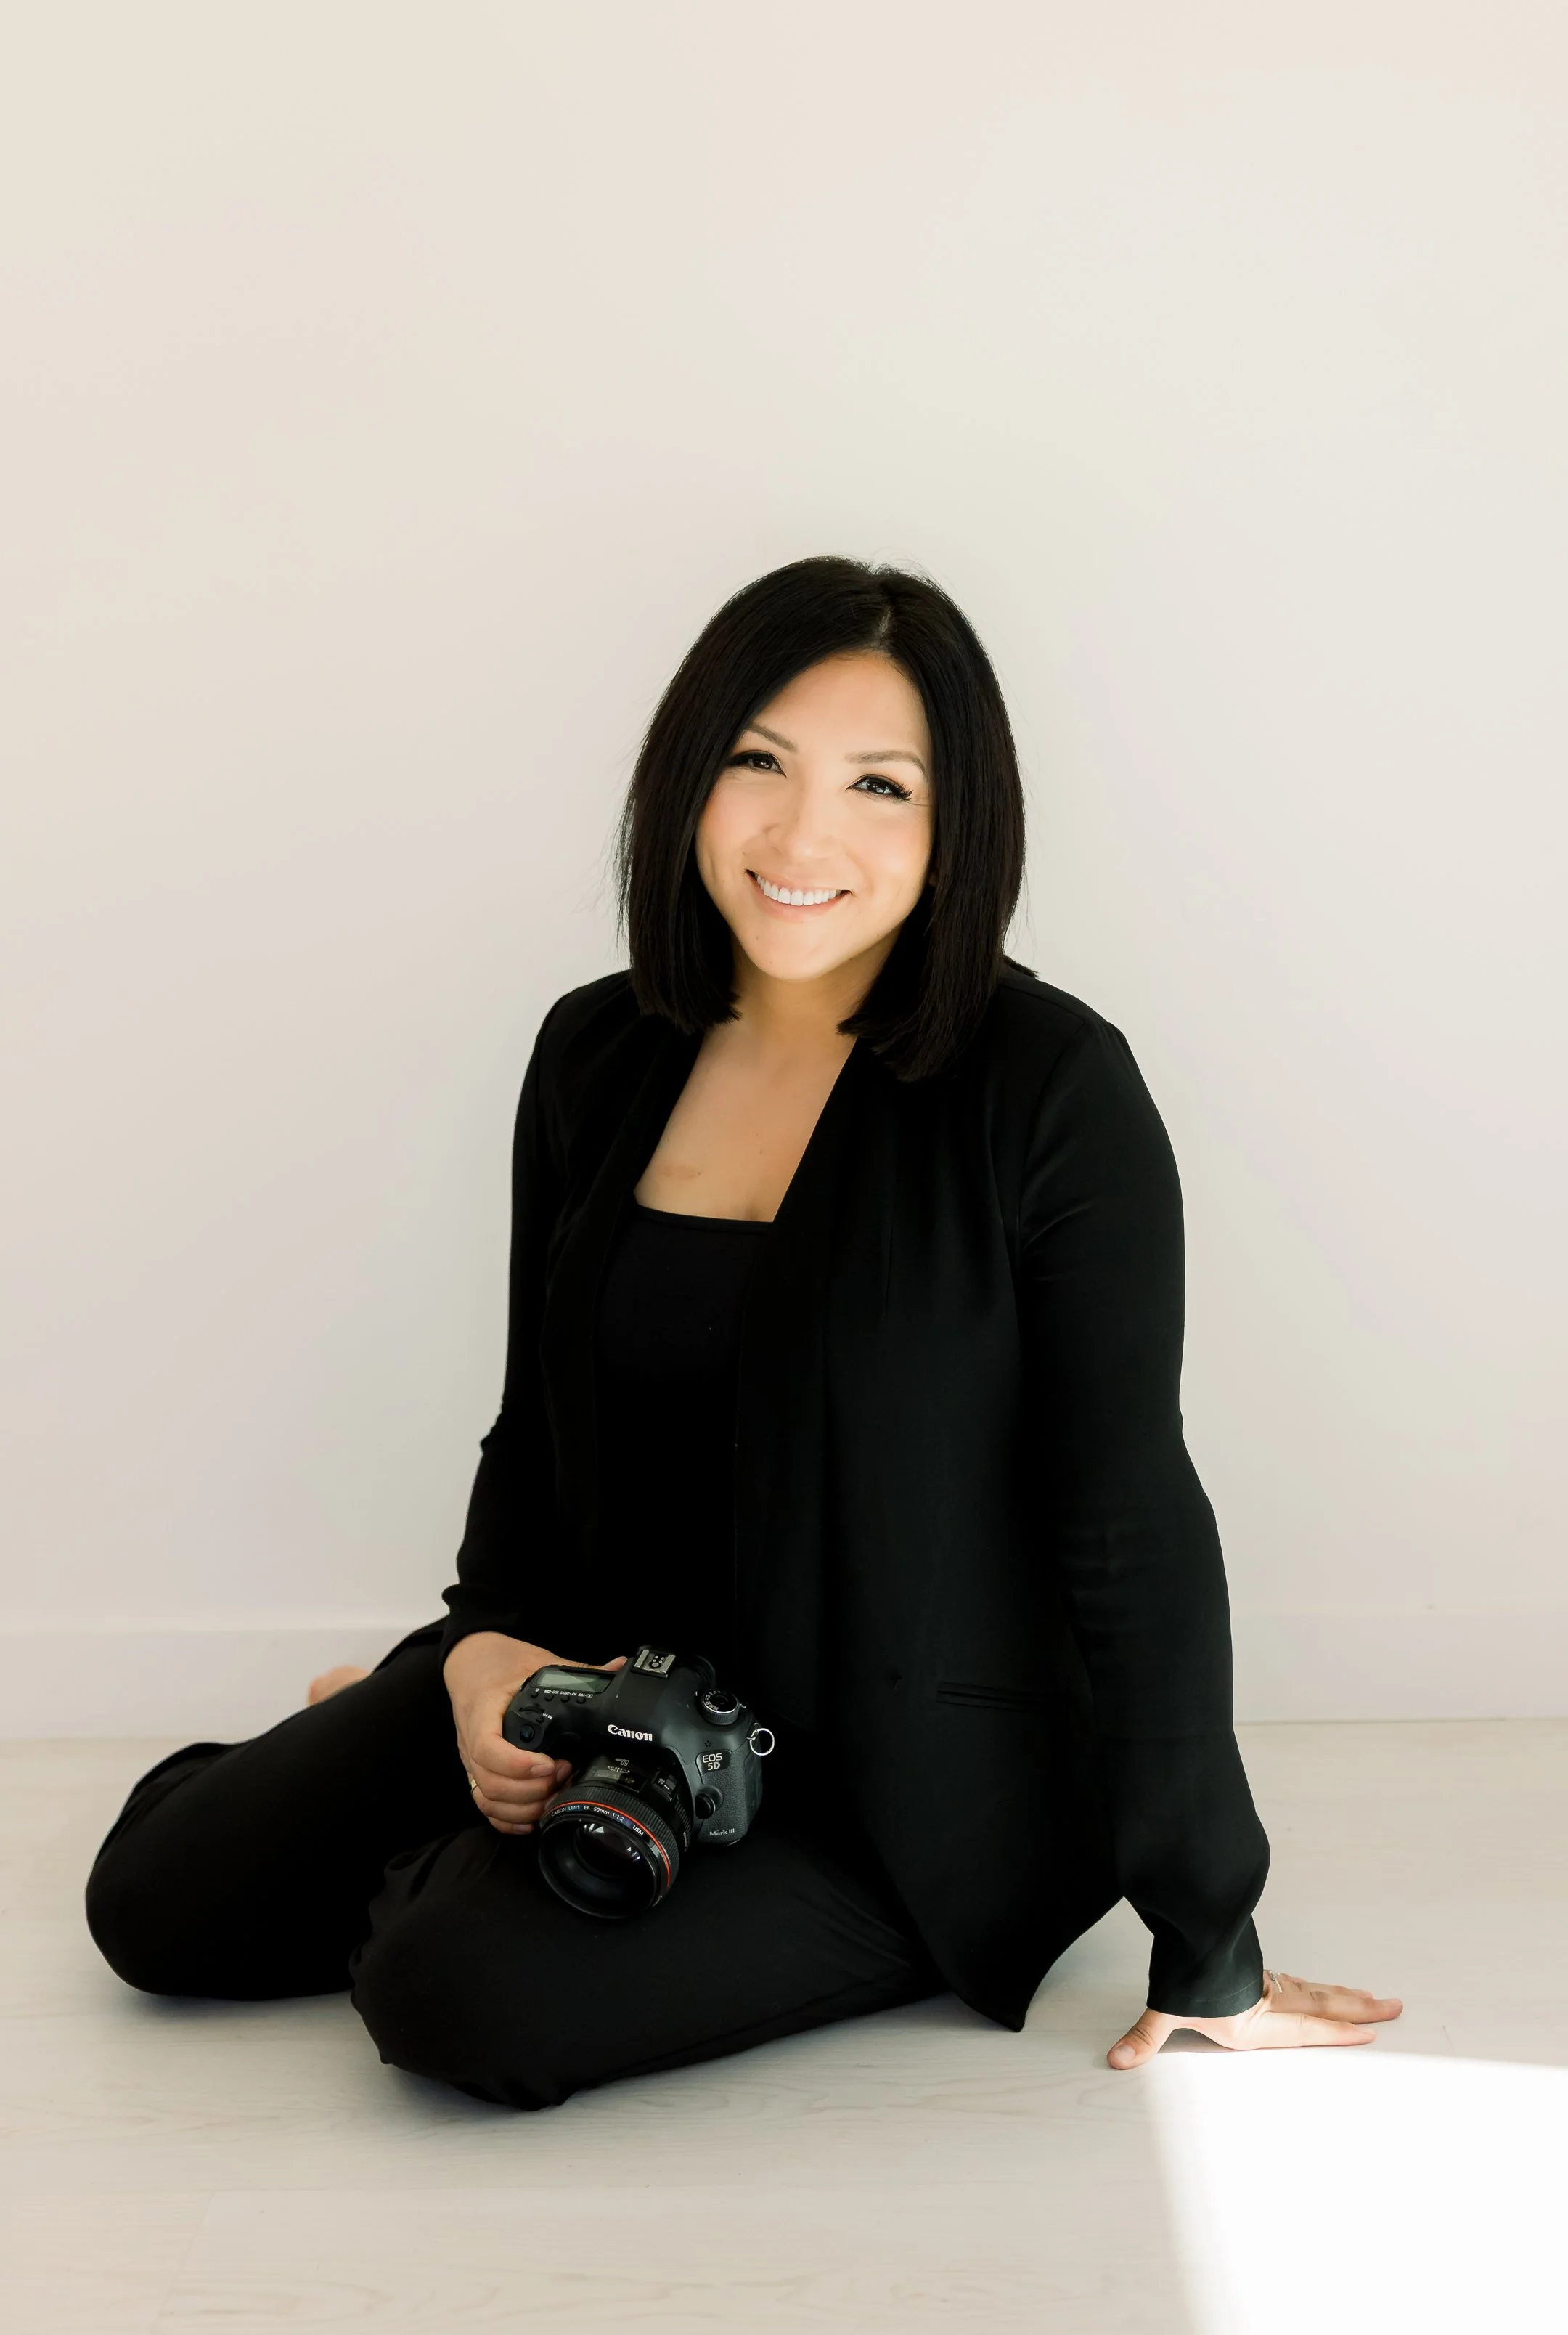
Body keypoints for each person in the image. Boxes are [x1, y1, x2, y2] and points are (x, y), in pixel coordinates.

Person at [85, 556, 1400, 2106]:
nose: (803, 835)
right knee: (150, 1908)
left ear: (957, 821)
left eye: (879, 785)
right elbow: (538, 1421)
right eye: (758, 763)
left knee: (459, 2001)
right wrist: (477, 1656)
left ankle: (456, 1854)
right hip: (611, 1682)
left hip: (889, 1783)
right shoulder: (598, 1049)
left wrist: (1209, 1940)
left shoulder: (1054, 1089)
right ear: (688, 776)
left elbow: (1128, 1519)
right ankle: (411, 1738)